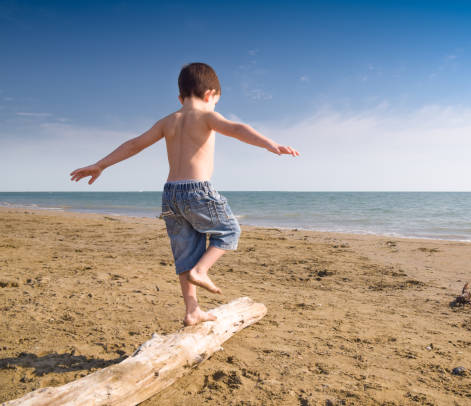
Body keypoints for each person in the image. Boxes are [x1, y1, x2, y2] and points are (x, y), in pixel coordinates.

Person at [69, 62, 299, 326]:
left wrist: (101, 164)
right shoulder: (207, 116)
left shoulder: (168, 121)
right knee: (230, 231)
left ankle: (192, 310)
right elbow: (237, 129)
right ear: (210, 95)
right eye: (215, 102)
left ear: (180, 97)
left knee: (185, 252)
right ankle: (202, 270)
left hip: (170, 195)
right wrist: (271, 144)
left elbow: (134, 144)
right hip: (197, 189)